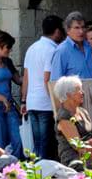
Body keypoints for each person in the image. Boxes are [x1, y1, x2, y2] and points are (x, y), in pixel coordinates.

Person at [22, 15, 65, 159]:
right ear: (58, 31)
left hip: (32, 101)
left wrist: (23, 100)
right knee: (47, 144)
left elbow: (26, 77)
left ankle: (37, 172)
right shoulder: (53, 50)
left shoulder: (32, 48)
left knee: (38, 143)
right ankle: (45, 174)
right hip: (46, 103)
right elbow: (48, 79)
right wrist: (57, 104)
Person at [48, 11, 92, 81]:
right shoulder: (62, 51)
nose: (81, 31)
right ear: (68, 30)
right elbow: (55, 82)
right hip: (72, 92)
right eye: (77, 28)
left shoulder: (89, 47)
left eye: (83, 27)